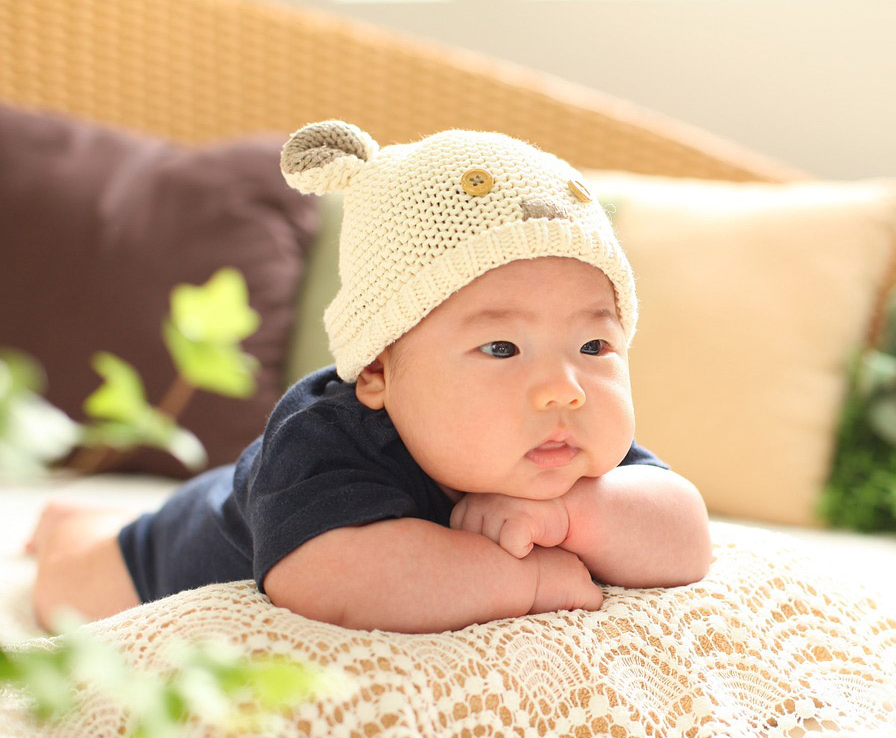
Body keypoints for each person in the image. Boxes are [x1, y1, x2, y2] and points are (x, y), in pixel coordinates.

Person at [29, 121, 713, 634]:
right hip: (163, 551)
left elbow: (684, 533)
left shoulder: (565, 442)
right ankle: (69, 525)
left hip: (244, 493)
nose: (564, 385)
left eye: (595, 342)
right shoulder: (323, 432)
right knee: (69, 586)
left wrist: (571, 514)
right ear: (380, 372)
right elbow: (334, 578)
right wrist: (530, 578)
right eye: (503, 347)